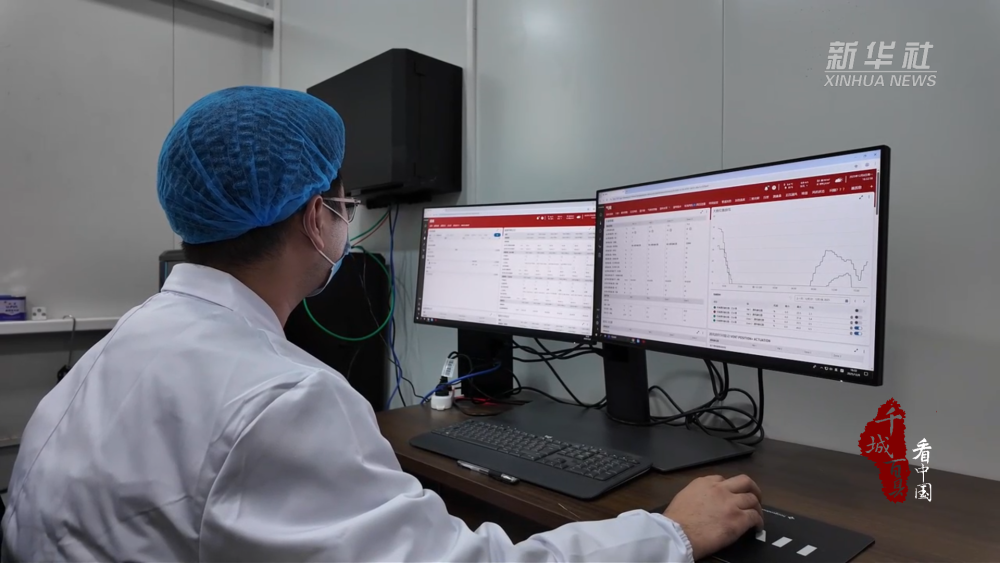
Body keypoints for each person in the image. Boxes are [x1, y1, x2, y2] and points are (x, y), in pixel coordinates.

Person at [1, 86, 763, 562]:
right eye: (342, 201)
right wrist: (670, 532)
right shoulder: (282, 398)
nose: (348, 215)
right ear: (315, 219)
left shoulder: (123, 344)